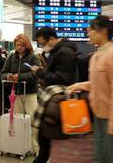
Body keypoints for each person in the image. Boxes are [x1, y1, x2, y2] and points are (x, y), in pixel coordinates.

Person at [68, 16, 113, 163]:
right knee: (99, 158)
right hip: (100, 116)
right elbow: (99, 83)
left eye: (91, 30)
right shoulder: (97, 55)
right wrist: (78, 86)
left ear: (103, 31)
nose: (88, 33)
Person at [31, 27, 77, 163]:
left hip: (58, 102)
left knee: (45, 137)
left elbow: (63, 79)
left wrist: (40, 72)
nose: (42, 46)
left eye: (43, 43)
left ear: (51, 39)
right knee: (44, 139)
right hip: (53, 101)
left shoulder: (64, 53)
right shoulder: (57, 52)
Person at [0, 34, 41, 153]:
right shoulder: (11, 57)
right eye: (17, 45)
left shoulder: (33, 58)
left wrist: (20, 77)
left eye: (22, 45)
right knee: (17, 122)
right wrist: (8, 76)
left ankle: (36, 149)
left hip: (30, 93)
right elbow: (2, 72)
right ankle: (18, 146)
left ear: (27, 45)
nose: (19, 47)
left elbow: (35, 74)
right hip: (16, 94)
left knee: (33, 121)